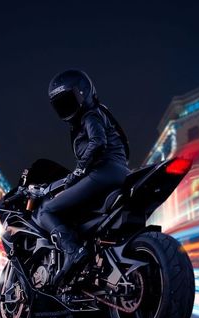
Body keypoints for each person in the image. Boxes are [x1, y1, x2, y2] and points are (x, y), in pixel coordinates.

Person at [33, 69, 130, 287]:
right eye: (61, 104)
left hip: (103, 173)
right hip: (118, 172)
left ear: (83, 93)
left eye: (69, 100)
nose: (66, 107)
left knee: (46, 210)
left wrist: (77, 172)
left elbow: (97, 142)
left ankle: (73, 251)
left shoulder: (91, 115)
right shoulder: (98, 114)